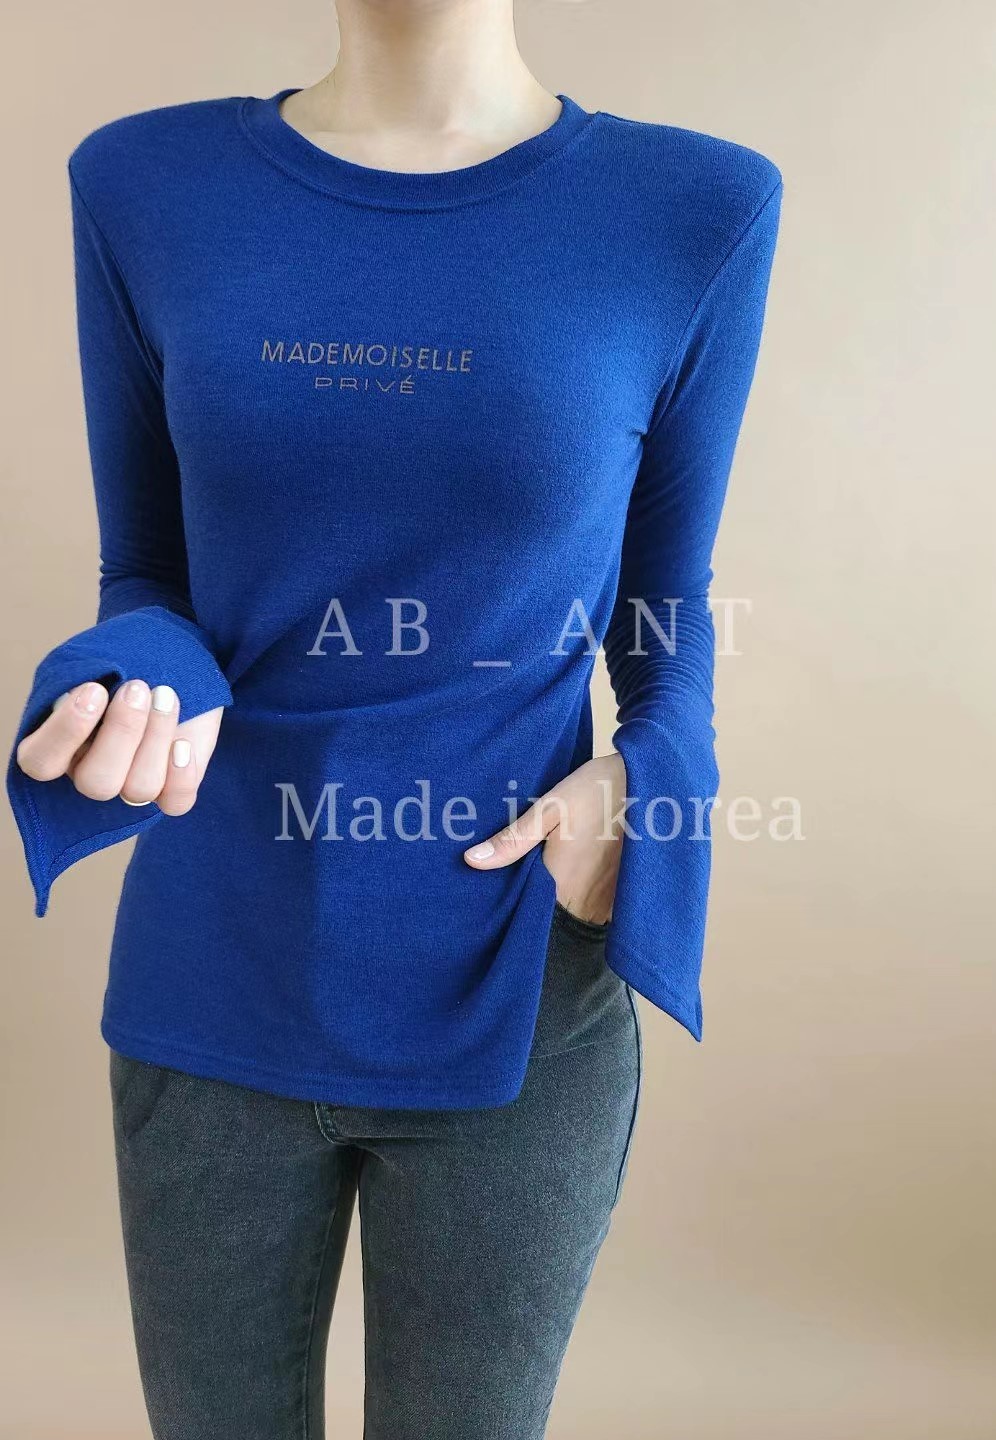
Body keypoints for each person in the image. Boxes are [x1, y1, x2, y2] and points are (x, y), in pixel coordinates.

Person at [7, 1, 782, 1435]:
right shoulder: (142, 183)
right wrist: (134, 674)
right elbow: (149, 573)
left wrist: (650, 783)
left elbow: (664, 617)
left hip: (516, 976)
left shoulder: (696, 207)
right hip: (214, 969)